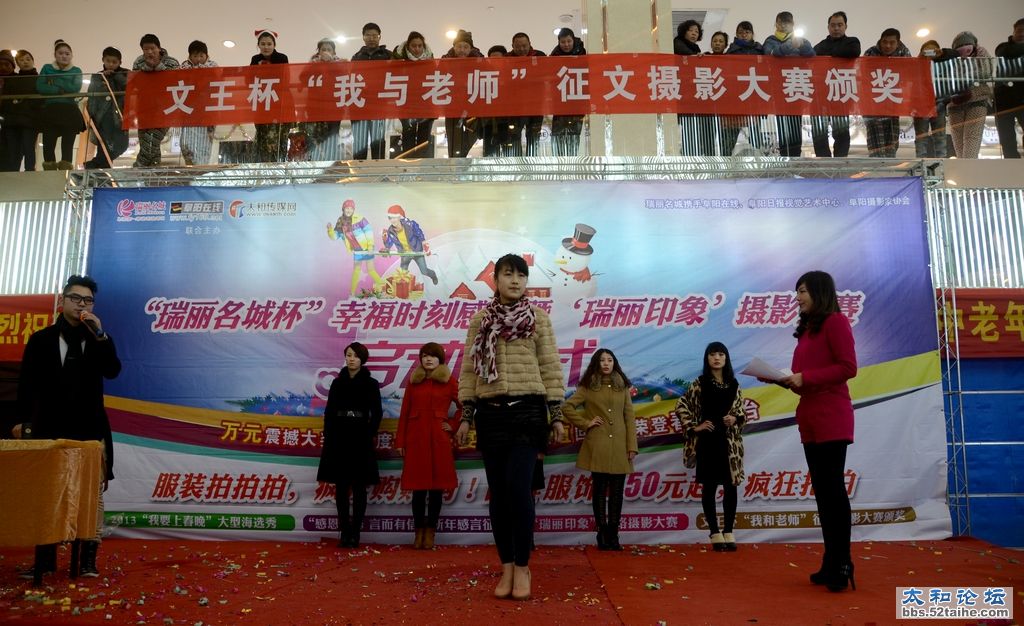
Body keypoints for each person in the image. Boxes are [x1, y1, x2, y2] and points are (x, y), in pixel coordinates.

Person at [456, 253, 566, 601]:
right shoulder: (480, 320)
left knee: (519, 491)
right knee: (499, 495)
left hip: (527, 413)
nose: (515, 280)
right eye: (508, 274)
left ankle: (522, 565)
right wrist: (466, 415)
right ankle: (505, 566)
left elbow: (550, 366)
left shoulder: (538, 319)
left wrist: (556, 413)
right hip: (491, 414)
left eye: (521, 274)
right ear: (496, 280)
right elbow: (470, 370)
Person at [16, 275, 121, 579]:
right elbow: (27, 385)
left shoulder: (98, 340)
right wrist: (22, 422)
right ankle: (45, 560)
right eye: (76, 298)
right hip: (50, 427)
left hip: (90, 429)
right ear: (62, 300)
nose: (81, 305)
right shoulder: (41, 339)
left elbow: (113, 371)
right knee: (48, 493)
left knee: (92, 496)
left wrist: (101, 335)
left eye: (88, 300)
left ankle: (87, 560)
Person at [773, 271, 857, 592]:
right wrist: (788, 380)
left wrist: (805, 378)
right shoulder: (806, 331)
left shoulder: (836, 322)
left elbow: (848, 367)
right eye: (797, 292)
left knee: (833, 491)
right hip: (809, 416)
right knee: (822, 493)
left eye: (803, 291)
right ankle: (830, 560)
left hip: (831, 415)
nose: (797, 297)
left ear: (819, 292)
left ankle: (843, 562)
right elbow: (803, 376)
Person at [561, 349, 637, 551]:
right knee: (600, 490)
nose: (606, 363)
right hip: (598, 443)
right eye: (602, 360)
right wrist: (586, 423)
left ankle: (614, 534)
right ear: (596, 363)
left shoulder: (622, 386)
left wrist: (632, 446)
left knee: (617, 492)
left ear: (614, 363)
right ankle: (602, 533)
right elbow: (567, 407)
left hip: (620, 444)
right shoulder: (588, 386)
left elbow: (629, 417)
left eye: (610, 360)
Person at [675, 342, 746, 552]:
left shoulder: (734, 383)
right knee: (710, 486)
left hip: (729, 443)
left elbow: (741, 411)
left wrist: (735, 418)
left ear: (726, 358)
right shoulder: (700, 383)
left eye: (721, 354)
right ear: (707, 358)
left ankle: (729, 531)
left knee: (731, 486)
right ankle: (714, 533)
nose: (717, 358)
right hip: (707, 442)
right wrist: (694, 426)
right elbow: (681, 405)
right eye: (713, 354)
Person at [395, 342, 462, 549]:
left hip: (439, 439)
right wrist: (400, 441)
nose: (428, 359)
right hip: (416, 438)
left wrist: (452, 425)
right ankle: (418, 532)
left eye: (432, 356)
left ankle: (431, 532)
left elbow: (465, 406)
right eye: (424, 356)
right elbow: (404, 412)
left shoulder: (450, 381)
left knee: (436, 489)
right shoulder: (414, 382)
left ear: (440, 359)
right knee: (418, 489)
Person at [316, 342, 383, 548]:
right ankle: (344, 532)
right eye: (348, 355)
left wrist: (370, 433)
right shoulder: (337, 383)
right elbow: (329, 411)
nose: (351, 359)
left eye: (355, 356)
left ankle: (356, 533)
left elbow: (377, 412)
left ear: (363, 359)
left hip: (360, 435)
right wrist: (329, 434)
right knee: (342, 486)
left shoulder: (371, 383)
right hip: (339, 436)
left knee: (359, 486)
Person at [763, 12, 815, 156]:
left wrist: (801, 46)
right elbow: (771, 54)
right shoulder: (770, 40)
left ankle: (795, 158)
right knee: (782, 126)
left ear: (793, 24)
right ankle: (785, 157)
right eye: (781, 22)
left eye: (787, 22)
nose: (784, 25)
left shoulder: (802, 40)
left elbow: (812, 54)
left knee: (796, 126)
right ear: (776, 24)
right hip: (779, 88)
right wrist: (789, 45)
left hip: (796, 86)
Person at [812, 12, 861, 158]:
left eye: (840, 25)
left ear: (846, 26)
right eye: (833, 25)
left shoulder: (852, 42)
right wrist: (837, 54)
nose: (836, 28)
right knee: (819, 132)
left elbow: (854, 51)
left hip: (841, 94)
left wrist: (830, 54)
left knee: (841, 132)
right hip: (821, 95)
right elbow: (813, 57)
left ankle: (840, 163)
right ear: (828, 27)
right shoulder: (819, 45)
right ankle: (824, 163)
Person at [36, 40, 84, 170]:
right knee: (48, 143)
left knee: (68, 145)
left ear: (71, 55)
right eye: (60, 53)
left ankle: (65, 172)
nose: (64, 56)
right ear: (55, 55)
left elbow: (75, 88)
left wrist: (54, 81)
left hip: (69, 111)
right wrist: (59, 89)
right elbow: (40, 87)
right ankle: (50, 170)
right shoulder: (47, 67)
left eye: (67, 53)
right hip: (51, 110)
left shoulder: (76, 70)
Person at [863, 28, 911, 157]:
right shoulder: (870, 53)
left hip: (893, 102)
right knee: (875, 142)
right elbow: (863, 77)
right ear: (880, 40)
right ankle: (876, 168)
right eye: (884, 42)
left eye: (892, 42)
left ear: (898, 43)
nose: (887, 45)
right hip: (873, 104)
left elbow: (909, 76)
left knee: (892, 141)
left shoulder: (904, 54)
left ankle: (890, 167)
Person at [721, 21, 767, 156]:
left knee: (756, 136)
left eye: (747, 32)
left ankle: (758, 163)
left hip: (754, 95)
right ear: (736, 34)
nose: (744, 35)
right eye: (741, 32)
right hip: (735, 99)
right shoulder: (731, 51)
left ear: (752, 34)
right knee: (729, 137)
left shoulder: (760, 50)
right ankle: (725, 163)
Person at [133, 34, 179, 167]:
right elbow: (135, 83)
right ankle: (153, 173)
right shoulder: (138, 62)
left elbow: (176, 82)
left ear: (159, 48)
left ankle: (138, 167)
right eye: (145, 49)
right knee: (147, 142)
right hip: (144, 110)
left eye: (152, 48)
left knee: (152, 140)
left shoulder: (172, 62)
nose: (149, 52)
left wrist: (158, 66)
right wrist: (147, 68)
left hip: (165, 110)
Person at [947, 31, 993, 159]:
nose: (964, 51)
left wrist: (963, 76)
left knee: (972, 139)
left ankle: (967, 168)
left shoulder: (981, 53)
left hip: (977, 99)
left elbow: (986, 72)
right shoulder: (952, 58)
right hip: (955, 102)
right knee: (959, 144)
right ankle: (965, 169)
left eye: (967, 47)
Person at [674, 20, 717, 156]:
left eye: (697, 31)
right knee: (689, 128)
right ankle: (689, 155)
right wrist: (696, 57)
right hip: (683, 92)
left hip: (694, 91)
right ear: (684, 31)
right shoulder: (677, 42)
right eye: (691, 30)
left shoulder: (696, 48)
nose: (694, 33)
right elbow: (684, 53)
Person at [327, 198, 384, 296]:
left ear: (353, 209)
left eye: (351, 208)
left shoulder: (360, 218)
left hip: (367, 248)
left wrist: (370, 246)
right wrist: (330, 231)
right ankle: (352, 293)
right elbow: (335, 237)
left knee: (371, 270)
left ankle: (384, 285)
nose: (349, 210)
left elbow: (368, 231)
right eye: (347, 208)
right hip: (357, 251)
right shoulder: (340, 221)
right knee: (356, 271)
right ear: (343, 209)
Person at [84, 47, 129, 169]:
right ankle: (103, 173)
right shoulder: (97, 76)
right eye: (108, 61)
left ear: (120, 62)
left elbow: (129, 86)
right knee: (104, 146)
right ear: (103, 60)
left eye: (114, 62)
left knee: (122, 146)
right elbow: (92, 96)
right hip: (103, 116)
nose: (111, 64)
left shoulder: (125, 73)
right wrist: (92, 116)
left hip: (121, 116)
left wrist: (115, 76)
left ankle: (92, 165)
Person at [297, 38, 341, 161]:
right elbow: (302, 77)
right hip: (314, 109)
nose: (326, 52)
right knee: (313, 139)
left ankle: (330, 164)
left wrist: (333, 64)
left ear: (334, 52)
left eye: (329, 49)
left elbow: (345, 76)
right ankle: (313, 165)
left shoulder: (340, 64)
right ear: (319, 52)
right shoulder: (313, 64)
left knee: (331, 139)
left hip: (333, 110)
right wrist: (314, 64)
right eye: (323, 49)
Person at [351, 23, 391, 160]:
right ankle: (357, 170)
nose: (371, 38)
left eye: (375, 35)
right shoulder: (356, 57)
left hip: (378, 104)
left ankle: (379, 169)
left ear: (380, 37)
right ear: (363, 37)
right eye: (368, 35)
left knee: (378, 140)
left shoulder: (388, 56)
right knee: (359, 141)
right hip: (359, 104)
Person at [393, 32, 436, 158]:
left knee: (424, 139)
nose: (417, 49)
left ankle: (422, 166)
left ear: (423, 46)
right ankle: (409, 166)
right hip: (406, 104)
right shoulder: (397, 60)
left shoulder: (431, 60)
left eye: (419, 46)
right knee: (408, 136)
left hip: (426, 105)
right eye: (413, 46)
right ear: (408, 46)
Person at [913, 40, 958, 158]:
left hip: (939, 102)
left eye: (933, 50)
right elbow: (909, 75)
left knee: (940, 136)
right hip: (921, 105)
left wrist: (942, 53)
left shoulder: (944, 64)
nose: (930, 53)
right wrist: (919, 59)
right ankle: (921, 161)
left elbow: (956, 54)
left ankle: (941, 161)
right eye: (927, 51)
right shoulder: (917, 65)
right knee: (921, 136)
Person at [249, 29, 288, 162]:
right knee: (262, 137)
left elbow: (285, 79)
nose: (266, 47)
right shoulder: (255, 59)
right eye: (263, 44)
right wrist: (258, 71)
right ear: (258, 45)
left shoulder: (282, 58)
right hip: (262, 104)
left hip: (279, 104)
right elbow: (249, 80)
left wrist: (265, 70)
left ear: (274, 45)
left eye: (269, 44)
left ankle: (279, 165)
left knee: (279, 139)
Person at [442, 30, 482, 158]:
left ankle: (462, 155)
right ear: (454, 47)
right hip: (452, 106)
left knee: (473, 132)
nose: (462, 50)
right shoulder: (445, 61)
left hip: (473, 104)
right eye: (459, 46)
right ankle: (454, 162)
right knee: (453, 137)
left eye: (466, 47)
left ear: (471, 48)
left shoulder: (480, 61)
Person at [177, 41, 217, 166]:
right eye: (195, 56)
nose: (198, 59)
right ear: (189, 56)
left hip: (206, 112)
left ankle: (201, 169)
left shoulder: (213, 67)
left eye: (201, 56)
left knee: (205, 144)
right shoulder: (184, 67)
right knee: (185, 144)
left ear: (207, 56)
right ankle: (191, 165)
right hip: (189, 112)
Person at [0, 50, 40, 171]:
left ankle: (28, 172)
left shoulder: (39, 79)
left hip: (28, 119)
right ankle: (13, 173)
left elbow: (38, 99)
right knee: (13, 149)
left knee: (27, 148)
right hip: (11, 120)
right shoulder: (14, 79)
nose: (25, 62)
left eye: (28, 59)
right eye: (21, 60)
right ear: (17, 63)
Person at [380, 204, 439, 285]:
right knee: (402, 275)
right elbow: (388, 245)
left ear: (399, 217)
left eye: (394, 217)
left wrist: (426, 247)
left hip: (417, 252)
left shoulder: (411, 225)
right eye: (390, 218)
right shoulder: (390, 231)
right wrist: (385, 241)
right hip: (405, 254)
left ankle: (433, 275)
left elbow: (420, 235)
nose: (392, 220)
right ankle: (404, 290)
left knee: (424, 271)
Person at [550, 28, 587, 156]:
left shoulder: (583, 53)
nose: (566, 45)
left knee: (574, 134)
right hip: (560, 101)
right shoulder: (553, 56)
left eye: (569, 41)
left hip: (577, 99)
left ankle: (573, 160)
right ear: (559, 42)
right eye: (563, 42)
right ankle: (559, 162)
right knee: (557, 134)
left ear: (573, 40)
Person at [508, 33, 546, 156]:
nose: (521, 49)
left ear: (530, 44)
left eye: (524, 46)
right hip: (514, 106)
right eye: (517, 46)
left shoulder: (540, 56)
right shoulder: (506, 59)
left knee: (533, 136)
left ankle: (532, 163)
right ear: (512, 46)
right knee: (513, 136)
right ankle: (516, 164)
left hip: (536, 104)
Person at [994, 19, 1024, 158]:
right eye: (1020, 30)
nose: (1022, 34)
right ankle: (1011, 164)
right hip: (1004, 99)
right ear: (1013, 32)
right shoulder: (1003, 48)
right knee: (1006, 138)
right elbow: (1010, 51)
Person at [479, 45, 511, 157]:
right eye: (492, 59)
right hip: (488, 121)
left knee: (508, 151)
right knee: (489, 152)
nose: (495, 62)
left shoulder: (511, 75)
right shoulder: (484, 76)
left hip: (506, 120)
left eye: (498, 59)